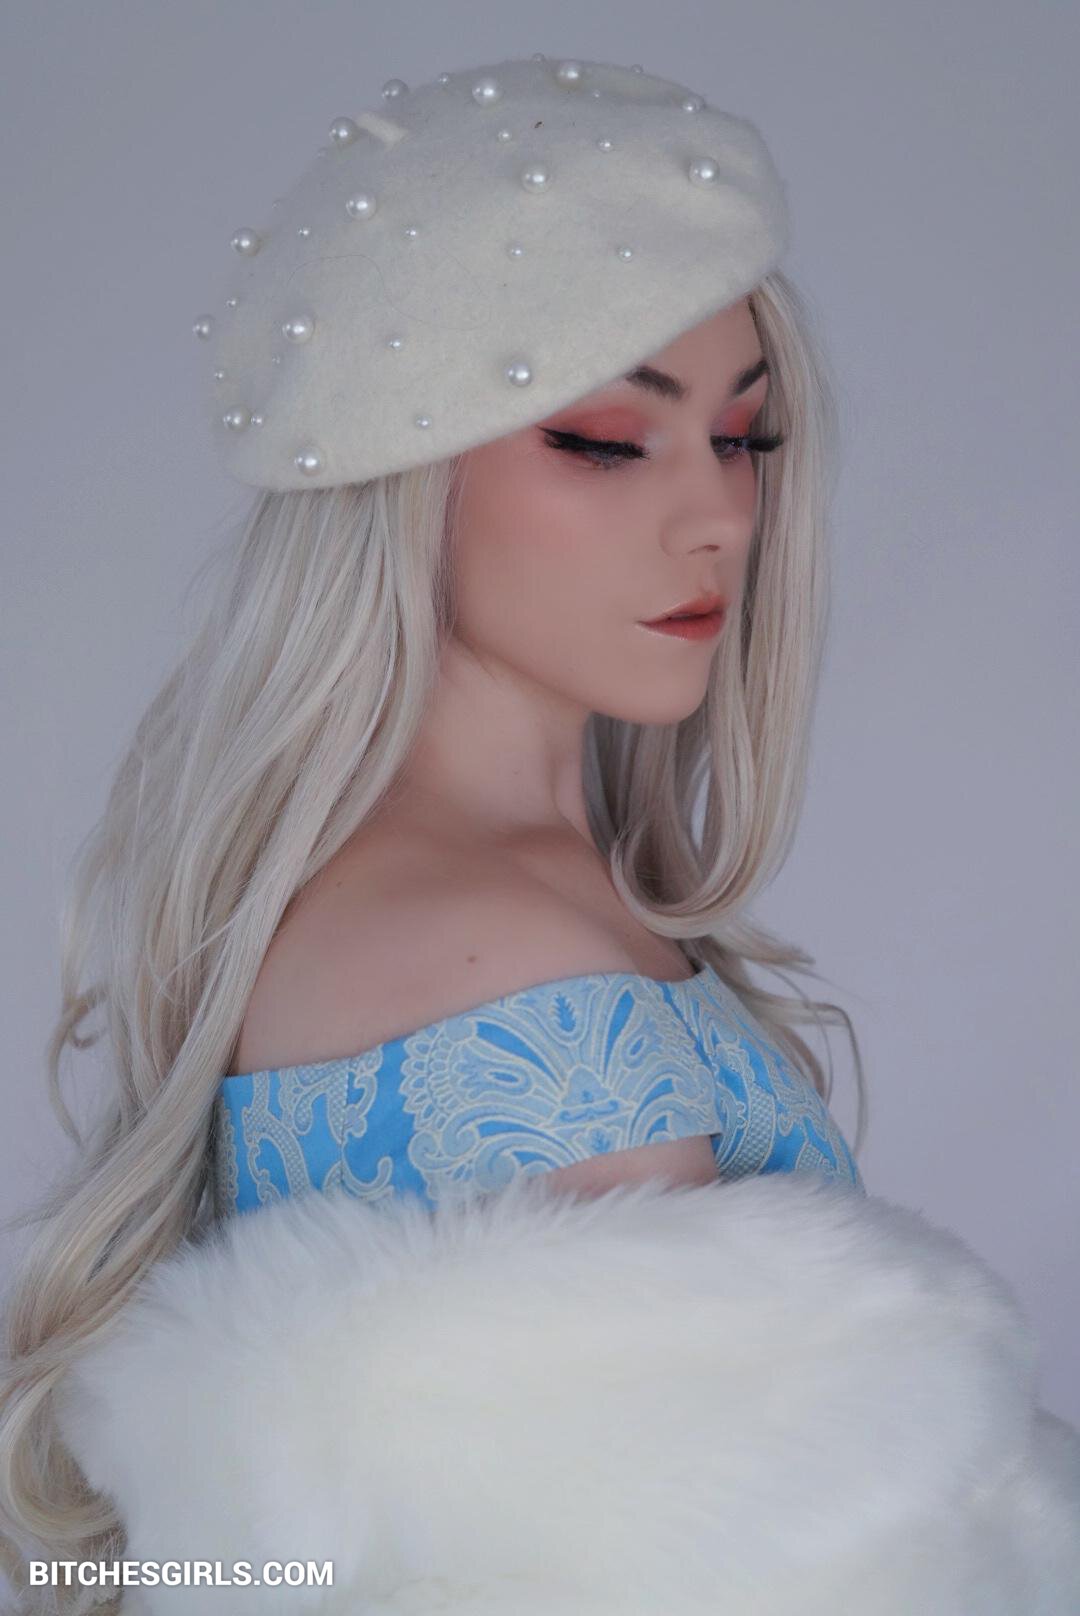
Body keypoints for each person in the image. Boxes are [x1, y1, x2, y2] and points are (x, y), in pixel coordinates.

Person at [1, 53, 1077, 1616]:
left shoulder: (479, 903)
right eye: (605, 439)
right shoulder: (508, 965)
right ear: (398, 479)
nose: (717, 514)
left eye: (744, 436)